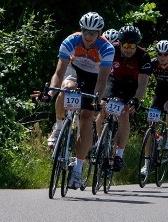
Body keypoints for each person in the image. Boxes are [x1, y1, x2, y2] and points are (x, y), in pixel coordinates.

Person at [43, 12, 115, 189]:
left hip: (95, 78)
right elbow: (59, 73)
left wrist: (97, 99)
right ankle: (59, 127)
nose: (88, 36)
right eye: (85, 31)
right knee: (65, 88)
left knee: (86, 118)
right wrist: (50, 93)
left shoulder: (106, 48)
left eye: (93, 33)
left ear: (100, 32)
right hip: (74, 71)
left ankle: (77, 171)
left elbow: (102, 80)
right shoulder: (71, 41)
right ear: (81, 30)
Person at [99, 25, 151, 172]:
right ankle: (99, 143)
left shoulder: (143, 57)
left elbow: (142, 85)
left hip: (131, 85)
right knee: (102, 106)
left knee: (124, 112)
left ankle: (119, 155)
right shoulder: (111, 49)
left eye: (132, 46)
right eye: (125, 45)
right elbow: (101, 73)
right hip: (113, 80)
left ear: (137, 45)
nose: (128, 49)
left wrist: (136, 99)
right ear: (119, 43)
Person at [138, 40, 168, 177]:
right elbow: (142, 79)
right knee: (150, 122)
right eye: (159, 54)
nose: (162, 57)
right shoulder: (152, 63)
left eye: (166, 54)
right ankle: (146, 164)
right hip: (159, 93)